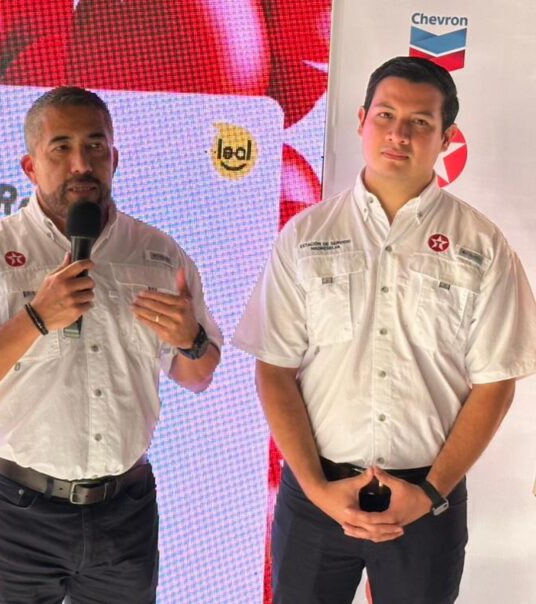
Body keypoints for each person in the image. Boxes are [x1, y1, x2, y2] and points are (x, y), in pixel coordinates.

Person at [234, 56, 536, 603]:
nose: (399, 134)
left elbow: (496, 383)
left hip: (428, 500)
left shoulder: (482, 246)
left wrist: (431, 492)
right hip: (317, 497)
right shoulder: (306, 235)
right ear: (361, 120)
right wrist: (317, 488)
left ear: (447, 138)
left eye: (420, 122)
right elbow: (274, 368)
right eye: (386, 115)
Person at [0, 86, 222, 603]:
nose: (81, 163)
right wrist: (36, 318)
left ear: (115, 158)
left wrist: (191, 340)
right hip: (17, 514)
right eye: (60, 147)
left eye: (95, 146)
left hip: (124, 511)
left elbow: (199, 375)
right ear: (30, 166)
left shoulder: (159, 254)